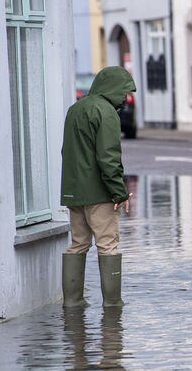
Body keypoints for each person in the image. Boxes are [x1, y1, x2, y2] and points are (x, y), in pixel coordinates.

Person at [60, 66, 136, 308]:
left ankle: (72, 302)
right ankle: (113, 305)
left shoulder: (75, 109)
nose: (125, 99)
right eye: (124, 93)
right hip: (100, 194)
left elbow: (67, 152)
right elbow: (108, 158)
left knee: (78, 244)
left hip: (73, 193)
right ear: (113, 88)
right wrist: (119, 192)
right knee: (108, 246)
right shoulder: (106, 112)